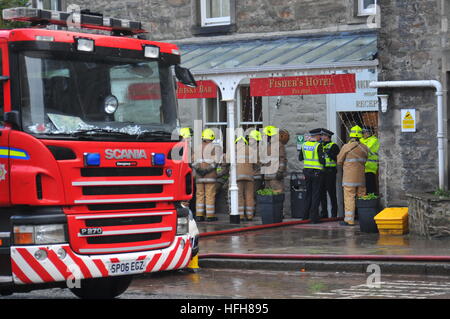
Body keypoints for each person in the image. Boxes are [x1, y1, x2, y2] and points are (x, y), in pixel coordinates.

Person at [337, 125, 369, 226]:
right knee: (362, 197)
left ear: (351, 135)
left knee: (349, 197)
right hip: (361, 177)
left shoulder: (346, 147)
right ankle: (364, 218)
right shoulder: (364, 147)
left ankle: (349, 220)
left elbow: (339, 160)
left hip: (349, 178)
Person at [192, 128, 221, 222]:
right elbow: (216, 162)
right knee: (210, 195)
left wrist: (199, 170)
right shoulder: (214, 148)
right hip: (210, 176)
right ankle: (210, 216)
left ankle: (199, 215)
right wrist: (207, 170)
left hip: (199, 177)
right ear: (212, 137)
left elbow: (192, 161)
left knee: (199, 195)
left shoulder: (197, 147)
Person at [298, 129, 326, 224]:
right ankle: (314, 218)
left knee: (308, 194)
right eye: (320, 136)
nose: (321, 137)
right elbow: (323, 162)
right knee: (316, 194)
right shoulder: (318, 146)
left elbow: (300, 158)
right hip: (316, 172)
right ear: (317, 136)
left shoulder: (304, 145)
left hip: (307, 172)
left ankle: (305, 216)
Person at [319, 128, 340, 218]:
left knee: (332, 193)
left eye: (323, 135)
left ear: (327, 136)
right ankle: (324, 214)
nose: (321, 137)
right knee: (322, 193)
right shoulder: (320, 145)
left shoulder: (334, 146)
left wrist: (330, 154)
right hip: (321, 172)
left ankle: (334, 214)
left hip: (330, 172)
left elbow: (338, 159)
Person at [261, 125, 287, 193]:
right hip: (268, 177)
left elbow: (282, 159)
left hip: (274, 177)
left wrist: (280, 171)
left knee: (276, 197)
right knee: (269, 199)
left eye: (266, 135)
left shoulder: (278, 145)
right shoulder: (268, 145)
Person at [235, 135, 256, 221]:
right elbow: (257, 163)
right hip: (249, 177)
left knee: (239, 196)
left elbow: (227, 162)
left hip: (238, 177)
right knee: (249, 196)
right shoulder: (251, 150)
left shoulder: (234, 149)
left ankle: (241, 216)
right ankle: (250, 216)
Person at [360, 127, 380, 195]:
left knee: (370, 186)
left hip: (370, 167)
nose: (364, 134)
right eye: (363, 132)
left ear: (370, 133)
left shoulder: (373, 140)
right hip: (362, 167)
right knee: (363, 186)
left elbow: (364, 149)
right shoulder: (361, 140)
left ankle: (372, 201)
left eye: (366, 132)